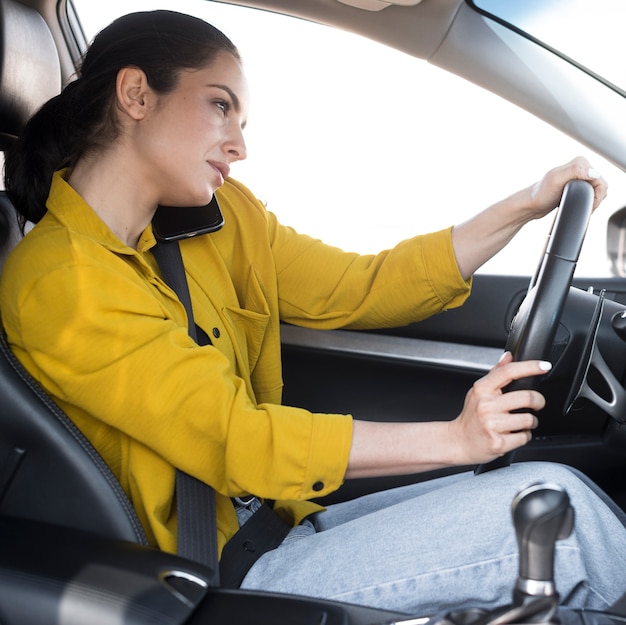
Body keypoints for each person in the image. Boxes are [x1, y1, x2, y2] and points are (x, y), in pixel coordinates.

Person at [1, 9, 625, 616]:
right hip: (220, 575)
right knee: (563, 518)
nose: (240, 145)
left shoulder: (225, 220)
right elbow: (238, 438)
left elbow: (361, 284)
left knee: (544, 497)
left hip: (285, 519)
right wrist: (456, 438)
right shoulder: (60, 280)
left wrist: (526, 205)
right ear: (137, 93)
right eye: (221, 105)